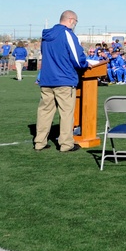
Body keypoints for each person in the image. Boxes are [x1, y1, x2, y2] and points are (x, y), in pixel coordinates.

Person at [33, 10, 91, 153]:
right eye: (76, 22)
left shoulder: (46, 36)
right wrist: (85, 64)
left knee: (44, 112)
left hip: (47, 79)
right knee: (66, 113)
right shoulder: (67, 34)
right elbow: (77, 58)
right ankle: (66, 144)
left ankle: (39, 142)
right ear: (71, 20)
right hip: (64, 80)